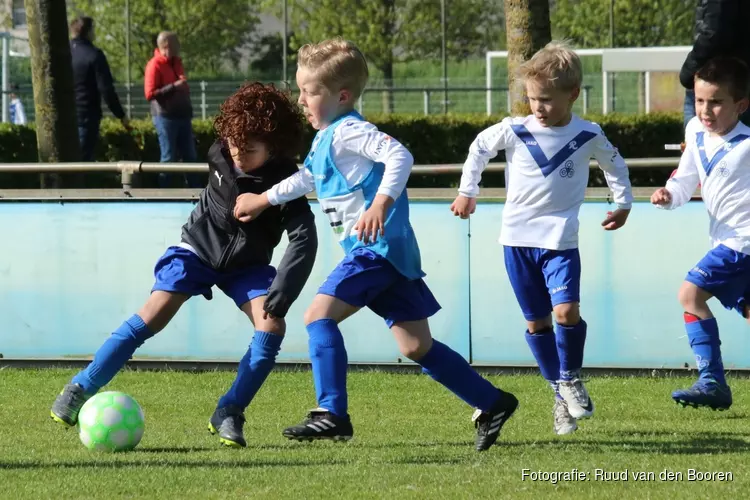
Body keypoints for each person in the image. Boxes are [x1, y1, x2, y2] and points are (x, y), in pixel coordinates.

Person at [234, 38, 518, 452]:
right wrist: (262, 200)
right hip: (388, 255)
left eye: (309, 92)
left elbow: (400, 155)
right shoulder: (329, 135)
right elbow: (308, 179)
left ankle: (332, 412)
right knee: (415, 345)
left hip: (377, 250)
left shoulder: (351, 131)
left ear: (341, 96)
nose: (301, 100)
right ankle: (492, 403)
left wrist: (379, 204)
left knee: (317, 316)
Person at [50, 82, 318, 448]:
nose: (237, 153)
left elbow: (305, 239)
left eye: (250, 149)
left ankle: (229, 411)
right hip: (196, 249)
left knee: (272, 325)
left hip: (248, 266)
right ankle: (81, 386)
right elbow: (230, 193)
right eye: (233, 142)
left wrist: (283, 291)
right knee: (154, 313)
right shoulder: (220, 152)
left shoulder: (288, 184)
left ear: (275, 146)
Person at [451, 41, 633, 436]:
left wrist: (623, 203)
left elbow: (614, 164)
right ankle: (559, 394)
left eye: (546, 99)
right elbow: (480, 148)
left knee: (566, 312)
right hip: (516, 241)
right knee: (537, 323)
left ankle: (569, 378)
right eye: (532, 98)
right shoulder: (516, 130)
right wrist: (469, 190)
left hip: (560, 242)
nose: (538, 107)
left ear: (573, 94)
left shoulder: (588, 133)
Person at [652, 56, 750, 411]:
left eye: (717, 101)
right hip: (726, 241)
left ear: (741, 105)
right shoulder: (694, 130)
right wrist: (669, 195)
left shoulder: (747, 145)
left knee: (690, 295)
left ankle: (712, 381)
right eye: (700, 99)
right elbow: (685, 176)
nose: (706, 109)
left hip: (743, 242)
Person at [680, 0, 750, 129]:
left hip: (721, 81)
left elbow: (715, 33)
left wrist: (688, 72)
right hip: (735, 82)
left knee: (703, 144)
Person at [144, 31, 201, 188]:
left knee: (190, 156)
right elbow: (150, 94)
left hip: (182, 116)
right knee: (168, 157)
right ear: (167, 46)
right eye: (177, 44)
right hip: (165, 117)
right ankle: (163, 194)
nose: (179, 47)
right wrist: (174, 86)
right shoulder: (154, 65)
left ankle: (196, 193)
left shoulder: (176, 63)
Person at [70, 16, 130, 161]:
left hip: (65, 114)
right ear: (89, 31)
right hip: (86, 114)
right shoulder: (94, 55)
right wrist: (120, 115)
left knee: (66, 161)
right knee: (83, 160)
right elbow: (106, 89)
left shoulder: (63, 53)